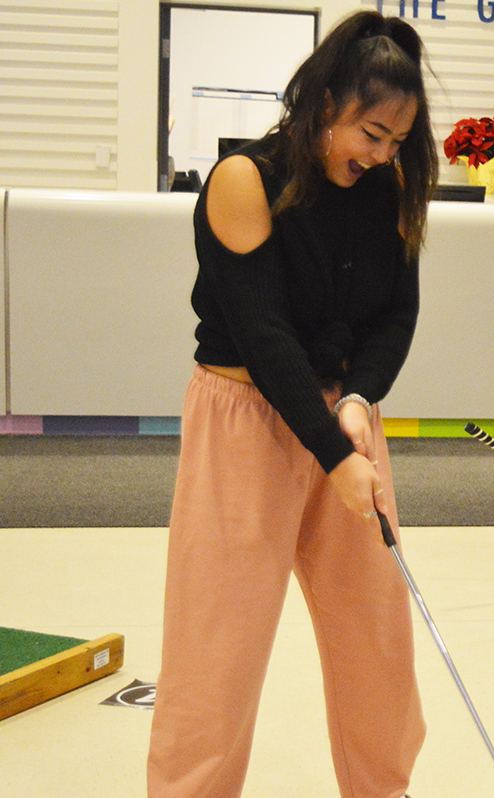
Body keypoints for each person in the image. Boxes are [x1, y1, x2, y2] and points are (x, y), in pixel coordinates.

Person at [147, 11, 437, 798]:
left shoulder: (390, 188)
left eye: (395, 142)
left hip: (340, 416)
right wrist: (335, 450)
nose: (381, 155)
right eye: (371, 133)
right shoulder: (246, 180)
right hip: (246, 421)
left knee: (377, 638)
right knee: (219, 646)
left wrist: (360, 402)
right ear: (326, 99)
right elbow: (263, 335)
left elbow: (394, 315)